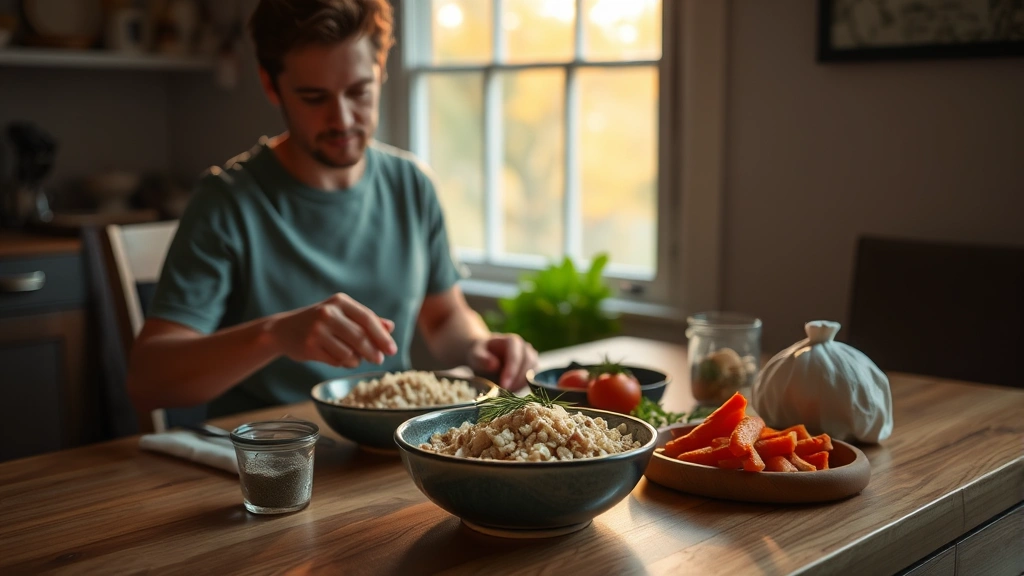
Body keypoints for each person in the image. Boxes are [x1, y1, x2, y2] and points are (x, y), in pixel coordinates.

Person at [126, 0, 537, 418]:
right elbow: (148, 380)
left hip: (388, 450)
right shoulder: (227, 202)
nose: (341, 120)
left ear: (381, 71)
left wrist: (477, 346)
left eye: (359, 91)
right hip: (270, 458)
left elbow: (445, 317)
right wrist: (274, 335)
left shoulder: (411, 184)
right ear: (271, 85)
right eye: (313, 97)